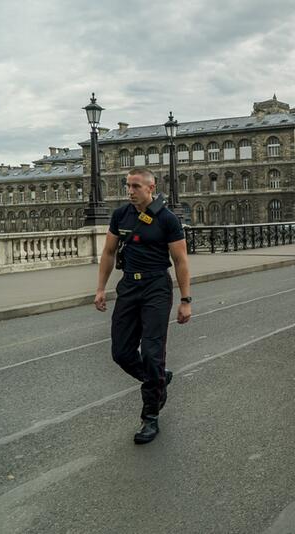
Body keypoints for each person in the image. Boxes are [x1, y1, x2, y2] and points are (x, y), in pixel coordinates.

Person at [94, 167, 192, 444]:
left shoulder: (167, 219)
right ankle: (159, 378)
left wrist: (185, 300)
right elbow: (109, 252)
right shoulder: (120, 215)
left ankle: (150, 417)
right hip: (129, 287)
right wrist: (101, 288)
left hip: (156, 288)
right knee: (121, 352)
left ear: (151, 187)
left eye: (136, 186)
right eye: (128, 186)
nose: (130, 191)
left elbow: (181, 261)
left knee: (151, 353)